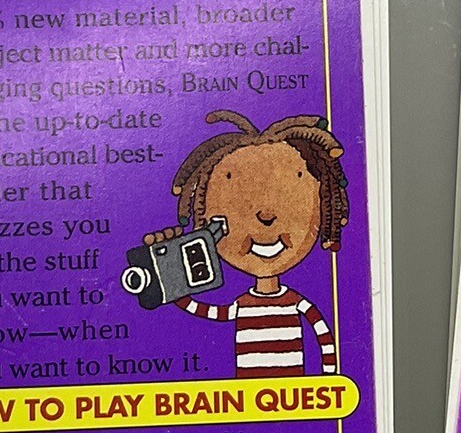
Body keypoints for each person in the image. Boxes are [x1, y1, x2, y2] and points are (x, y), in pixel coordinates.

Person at [144, 110, 349, 376]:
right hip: (248, 393)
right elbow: (207, 311)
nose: (266, 216)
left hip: (292, 392)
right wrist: (170, 279)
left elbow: (323, 336)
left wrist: (328, 382)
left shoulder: (295, 302)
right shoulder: (243, 304)